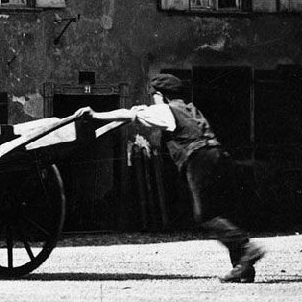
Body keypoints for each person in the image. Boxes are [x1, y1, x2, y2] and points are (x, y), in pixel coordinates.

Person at [108, 74, 266, 283]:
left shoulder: (165, 109)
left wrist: (94, 114)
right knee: (222, 211)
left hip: (199, 159)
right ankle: (243, 267)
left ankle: (247, 248)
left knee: (206, 215)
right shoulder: (189, 108)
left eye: (153, 95)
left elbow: (128, 115)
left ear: (160, 95)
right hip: (219, 156)